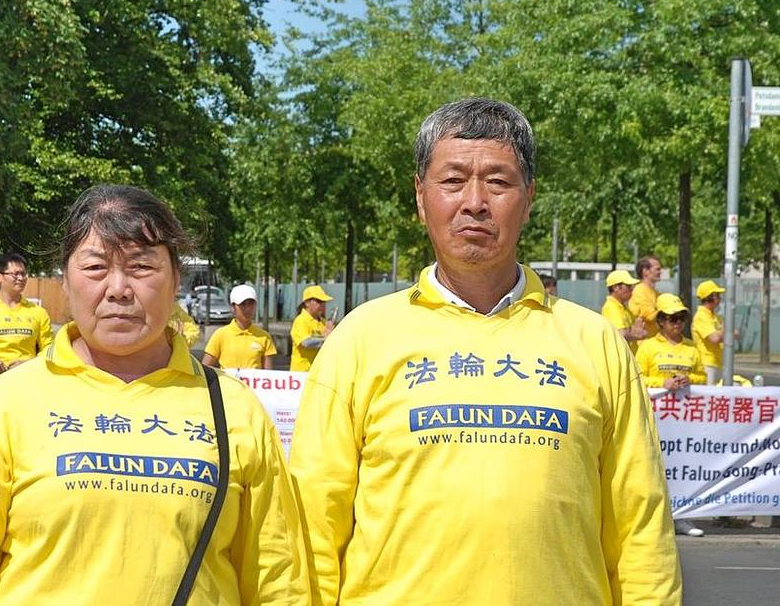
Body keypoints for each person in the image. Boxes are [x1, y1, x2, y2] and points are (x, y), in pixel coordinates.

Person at [289, 97, 680, 604]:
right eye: (452, 181)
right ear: (420, 195)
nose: (475, 201)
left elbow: (640, 523)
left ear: (529, 196)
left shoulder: (595, 342)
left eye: (497, 182)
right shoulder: (360, 340)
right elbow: (311, 526)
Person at [0, 184, 308, 605]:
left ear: (176, 279)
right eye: (96, 268)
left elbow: (278, 578)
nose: (119, 288)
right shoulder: (6, 406)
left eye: (141, 267)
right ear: (64, 280)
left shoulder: (234, 411)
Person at [634, 293, 706, 538]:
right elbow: (635, 378)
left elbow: (703, 378)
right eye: (673, 319)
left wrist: (690, 380)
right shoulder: (647, 348)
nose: (678, 323)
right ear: (661, 321)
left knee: (683, 467)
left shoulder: (692, 349)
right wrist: (662, 383)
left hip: (685, 422)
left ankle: (683, 518)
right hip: (656, 420)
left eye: (681, 318)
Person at [203, 284, 277, 370]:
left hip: (253, 383)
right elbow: (206, 368)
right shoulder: (220, 335)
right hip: (228, 383)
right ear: (233, 307)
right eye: (242, 304)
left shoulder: (264, 337)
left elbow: (268, 374)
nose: (247, 309)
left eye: (251, 304)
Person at [289, 285, 334, 372]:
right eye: (318, 301)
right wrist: (326, 339)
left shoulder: (323, 322)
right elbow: (306, 343)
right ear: (307, 303)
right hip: (301, 373)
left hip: (318, 372)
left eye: (324, 302)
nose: (322, 305)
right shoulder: (301, 320)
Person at [601, 269, 648, 352]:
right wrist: (636, 334)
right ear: (615, 287)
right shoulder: (611, 307)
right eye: (628, 286)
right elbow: (620, 334)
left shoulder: (623, 307)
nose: (632, 289)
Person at [692, 279, 727, 382]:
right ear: (710, 297)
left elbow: (731, 333)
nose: (719, 298)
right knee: (709, 395)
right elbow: (714, 338)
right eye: (717, 295)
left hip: (717, 362)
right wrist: (727, 332)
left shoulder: (715, 316)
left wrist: (726, 332)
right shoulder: (701, 316)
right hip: (707, 364)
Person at [629, 254, 662, 339]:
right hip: (643, 343)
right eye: (657, 269)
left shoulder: (656, 293)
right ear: (645, 271)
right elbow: (649, 315)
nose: (660, 272)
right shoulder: (639, 290)